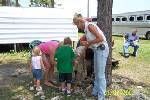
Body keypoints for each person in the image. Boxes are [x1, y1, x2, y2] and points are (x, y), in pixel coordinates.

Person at [73, 14, 109, 100]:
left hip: (102, 49)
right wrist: (82, 43)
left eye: (77, 24)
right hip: (97, 50)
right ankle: (95, 91)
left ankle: (102, 96)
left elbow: (100, 38)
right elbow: (83, 40)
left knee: (100, 74)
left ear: (80, 22)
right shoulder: (86, 30)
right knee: (96, 72)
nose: (77, 27)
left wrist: (88, 43)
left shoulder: (90, 26)